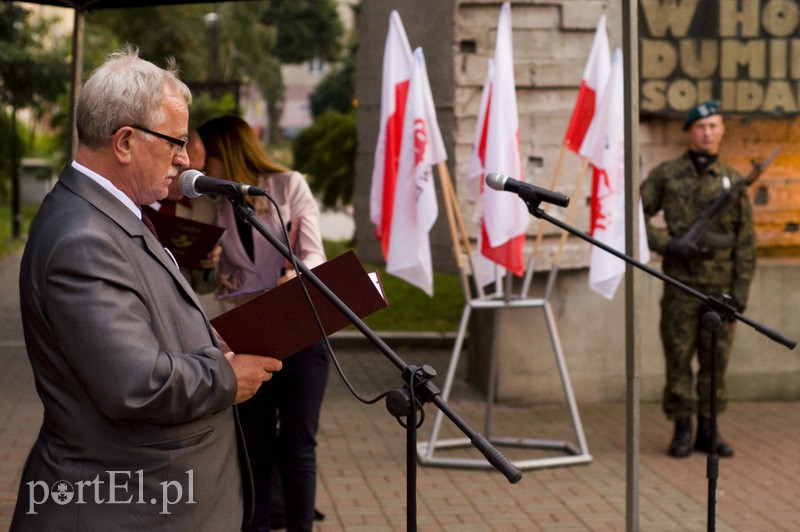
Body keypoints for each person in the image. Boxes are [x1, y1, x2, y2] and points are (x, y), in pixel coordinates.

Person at [11, 47, 282, 530]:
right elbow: (135, 385)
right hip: (125, 506)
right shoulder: (84, 237)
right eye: (175, 142)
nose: (183, 158)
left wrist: (203, 342)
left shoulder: (106, 212)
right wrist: (225, 375)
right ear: (124, 142)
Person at [197, 115, 329, 532]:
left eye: (205, 154)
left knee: (298, 447)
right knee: (253, 448)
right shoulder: (211, 205)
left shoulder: (288, 187)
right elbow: (207, 283)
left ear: (225, 152)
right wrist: (207, 266)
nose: (200, 166)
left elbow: (315, 253)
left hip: (301, 329)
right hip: (247, 339)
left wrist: (298, 272)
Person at [640, 100, 756, 459]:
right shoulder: (666, 175)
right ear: (690, 131)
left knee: (715, 363)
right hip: (681, 285)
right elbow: (632, 216)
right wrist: (667, 243)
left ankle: (709, 431)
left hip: (720, 289)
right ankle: (681, 430)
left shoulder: (733, 180)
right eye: (701, 126)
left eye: (714, 126)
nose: (708, 132)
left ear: (721, 130)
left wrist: (739, 292)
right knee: (678, 358)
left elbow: (746, 241)